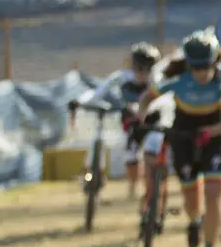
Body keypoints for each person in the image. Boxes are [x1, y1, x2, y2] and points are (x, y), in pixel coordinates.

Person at [136, 27, 221, 247]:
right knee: (191, 197)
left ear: (215, 61)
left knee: (214, 194)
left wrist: (212, 131)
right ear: (188, 64)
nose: (201, 73)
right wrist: (140, 121)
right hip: (183, 133)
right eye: (195, 67)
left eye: (206, 67)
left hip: (214, 133)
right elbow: (146, 98)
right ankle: (195, 220)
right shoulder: (176, 77)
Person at [68, 42, 163, 201]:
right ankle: (126, 186)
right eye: (139, 68)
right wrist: (80, 101)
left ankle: (152, 192)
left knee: (152, 152)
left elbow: (167, 100)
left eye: (147, 68)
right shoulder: (122, 77)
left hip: (153, 122)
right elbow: (98, 92)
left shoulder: (159, 80)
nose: (142, 73)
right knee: (129, 155)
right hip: (130, 123)